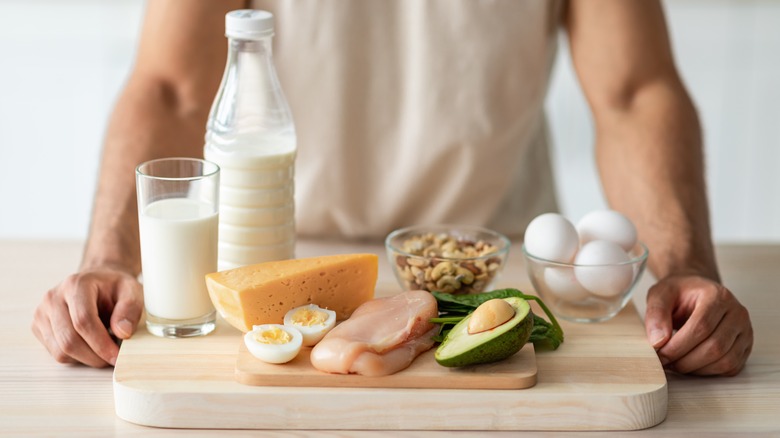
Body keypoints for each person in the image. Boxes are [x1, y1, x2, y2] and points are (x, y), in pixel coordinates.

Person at [31, 0, 753, 375]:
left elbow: (635, 91)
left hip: (495, 276)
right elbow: (170, 88)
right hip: (282, 275)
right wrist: (109, 257)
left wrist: (687, 269)